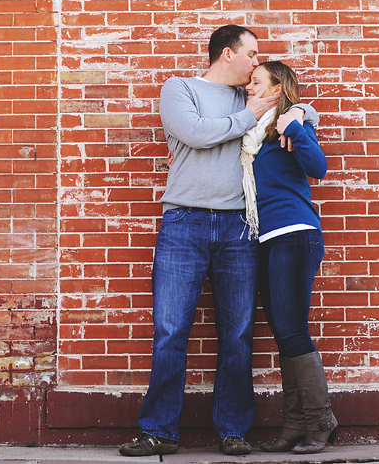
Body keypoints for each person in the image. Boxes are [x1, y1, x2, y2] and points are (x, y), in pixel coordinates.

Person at [118, 25, 278, 458]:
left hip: (238, 227)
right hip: (183, 224)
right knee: (170, 330)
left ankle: (232, 429)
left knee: (238, 332)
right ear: (227, 54)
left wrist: (290, 113)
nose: (256, 62)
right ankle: (158, 431)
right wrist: (248, 116)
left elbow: (298, 113)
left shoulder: (254, 93)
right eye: (251, 53)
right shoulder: (180, 88)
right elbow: (196, 134)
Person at [241, 60, 337, 454]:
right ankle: (295, 425)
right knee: (285, 333)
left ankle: (320, 419)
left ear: (277, 88)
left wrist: (295, 122)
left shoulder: (290, 128)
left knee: (293, 331)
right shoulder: (255, 134)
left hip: (295, 235)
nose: (249, 87)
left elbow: (319, 168)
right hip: (266, 240)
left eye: (256, 82)